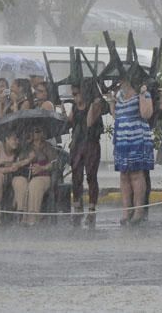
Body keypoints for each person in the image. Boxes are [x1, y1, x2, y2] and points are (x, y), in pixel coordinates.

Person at [108, 77, 154, 226]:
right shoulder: (119, 94)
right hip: (122, 137)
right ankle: (126, 210)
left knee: (136, 174)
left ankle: (139, 210)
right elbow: (117, 116)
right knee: (124, 175)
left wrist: (142, 95)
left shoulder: (142, 92)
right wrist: (111, 103)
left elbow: (146, 114)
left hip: (137, 137)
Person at [68, 80, 104, 226]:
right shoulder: (75, 107)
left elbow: (89, 123)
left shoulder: (94, 106)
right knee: (76, 176)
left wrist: (91, 104)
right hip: (77, 144)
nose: (75, 97)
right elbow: (69, 122)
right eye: (73, 94)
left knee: (91, 176)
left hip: (91, 144)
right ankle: (77, 206)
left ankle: (92, 209)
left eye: (76, 94)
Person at [11, 126, 57, 226]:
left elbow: (54, 163)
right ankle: (21, 215)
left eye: (37, 131)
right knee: (20, 182)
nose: (34, 133)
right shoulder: (26, 147)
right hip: (25, 175)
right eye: (32, 131)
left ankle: (33, 217)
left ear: (42, 133)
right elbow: (16, 164)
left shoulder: (48, 147)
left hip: (42, 176)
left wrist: (42, 168)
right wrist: (28, 160)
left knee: (35, 184)